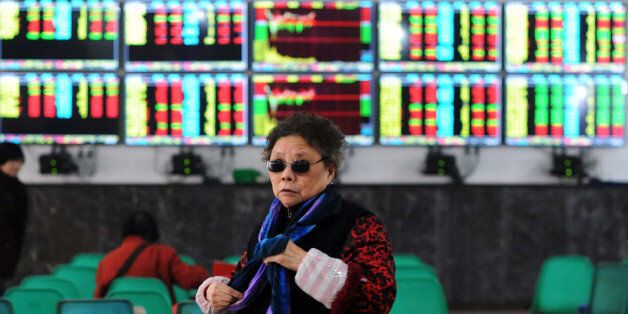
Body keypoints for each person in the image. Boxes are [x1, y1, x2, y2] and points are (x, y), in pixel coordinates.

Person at [196, 113, 396, 313]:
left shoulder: (359, 223)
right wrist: (214, 292)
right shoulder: (267, 228)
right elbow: (240, 284)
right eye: (277, 165)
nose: (286, 175)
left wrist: (304, 263)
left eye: (301, 165)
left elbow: (378, 299)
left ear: (330, 171)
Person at [94, 211, 209, 303]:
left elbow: (99, 301)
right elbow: (189, 280)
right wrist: (206, 274)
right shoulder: (163, 254)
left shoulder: (107, 261)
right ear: (153, 233)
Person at [0, 143, 28, 295]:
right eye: (12, 161)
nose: (16, 166)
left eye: (19, 161)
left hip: (8, 254)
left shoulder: (19, 188)